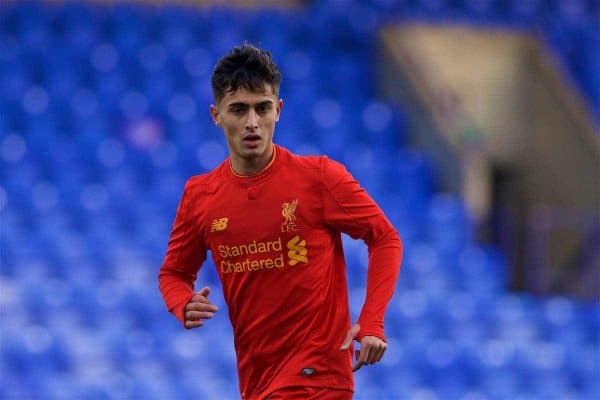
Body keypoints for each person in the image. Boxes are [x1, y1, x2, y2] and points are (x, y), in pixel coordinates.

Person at [159, 44, 402, 400]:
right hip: (257, 381)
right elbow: (173, 273)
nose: (252, 122)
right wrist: (182, 301)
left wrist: (372, 320)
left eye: (263, 108)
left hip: (318, 377)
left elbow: (384, 238)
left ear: (279, 110)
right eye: (239, 110)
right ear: (216, 115)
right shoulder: (201, 195)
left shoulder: (319, 178)